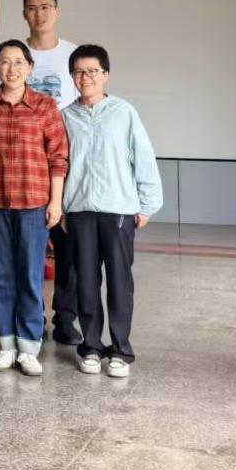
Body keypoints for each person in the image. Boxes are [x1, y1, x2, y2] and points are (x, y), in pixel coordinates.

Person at [61, 44, 161, 379]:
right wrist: (62, 208)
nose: (85, 77)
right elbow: (59, 166)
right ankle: (90, 346)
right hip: (79, 209)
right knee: (85, 281)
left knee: (119, 281)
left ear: (105, 75)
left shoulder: (124, 112)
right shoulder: (65, 116)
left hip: (118, 208)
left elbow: (143, 157)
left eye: (92, 71)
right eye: (78, 72)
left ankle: (121, 349)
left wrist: (147, 205)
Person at [0, 39, 69, 377]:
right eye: (4, 62)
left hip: (34, 202)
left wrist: (55, 201)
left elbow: (58, 157)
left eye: (18, 62)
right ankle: (7, 345)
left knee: (29, 274)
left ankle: (29, 347)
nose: (11, 69)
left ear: (30, 68)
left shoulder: (45, 105)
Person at [20, 0, 82, 347]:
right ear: (24, 14)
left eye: (46, 7)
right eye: (32, 8)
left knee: (68, 245)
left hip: (65, 161)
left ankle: (66, 317)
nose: (39, 13)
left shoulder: (72, 54)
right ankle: (33, 317)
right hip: (26, 164)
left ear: (57, 12)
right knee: (29, 247)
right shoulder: (15, 54)